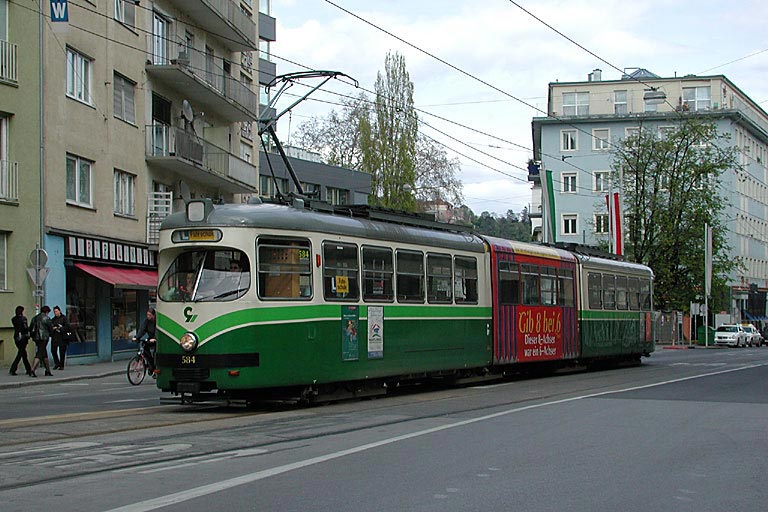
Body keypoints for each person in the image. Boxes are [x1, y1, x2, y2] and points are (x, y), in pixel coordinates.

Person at [29, 305, 54, 377]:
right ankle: (32, 370)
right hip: (44, 337)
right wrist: (51, 334)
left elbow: (31, 328)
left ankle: (48, 370)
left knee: (44, 353)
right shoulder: (47, 318)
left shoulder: (35, 318)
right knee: (40, 353)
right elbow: (50, 329)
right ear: (46, 312)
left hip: (36, 338)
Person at [9, 305, 32, 376]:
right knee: (20, 354)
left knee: (23, 354)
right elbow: (25, 328)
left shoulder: (13, 319)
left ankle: (28, 369)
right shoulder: (23, 319)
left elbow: (16, 327)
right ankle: (13, 369)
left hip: (16, 337)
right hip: (23, 338)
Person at [133, 308, 157, 375]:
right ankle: (151, 365)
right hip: (150, 338)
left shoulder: (157, 321)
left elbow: (158, 331)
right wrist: (137, 337)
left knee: (156, 352)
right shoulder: (147, 321)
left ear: (153, 315)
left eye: (150, 315)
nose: (148, 316)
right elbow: (142, 329)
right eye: (147, 315)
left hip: (157, 339)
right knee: (145, 346)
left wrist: (155, 338)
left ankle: (155, 367)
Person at [50, 305, 72, 370]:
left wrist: (61, 328)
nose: (55, 313)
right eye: (54, 312)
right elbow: (51, 327)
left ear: (59, 311)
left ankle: (61, 365)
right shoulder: (53, 319)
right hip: (55, 337)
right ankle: (57, 363)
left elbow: (68, 327)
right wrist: (53, 328)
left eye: (56, 311)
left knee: (62, 351)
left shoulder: (64, 318)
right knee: (53, 350)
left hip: (62, 337)